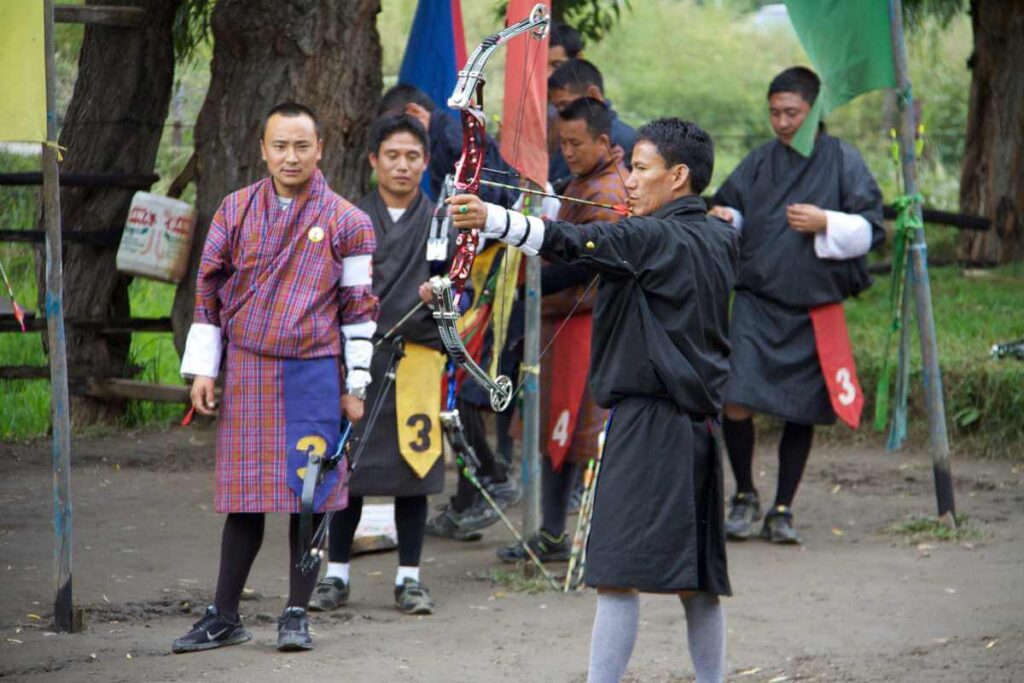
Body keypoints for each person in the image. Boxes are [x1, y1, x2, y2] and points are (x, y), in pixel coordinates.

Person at [448, 117, 737, 683]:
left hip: (650, 423)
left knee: (614, 574)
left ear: (678, 176)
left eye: (643, 169)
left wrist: (493, 217)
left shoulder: (654, 236)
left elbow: (576, 240)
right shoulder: (719, 237)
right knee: (696, 578)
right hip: (699, 426)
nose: (629, 180)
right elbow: (592, 249)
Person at [173, 102, 378, 653]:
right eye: (280, 146)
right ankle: (225, 614)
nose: (291, 156)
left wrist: (355, 386)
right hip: (247, 367)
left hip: (314, 372)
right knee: (244, 497)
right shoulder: (234, 210)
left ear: (320, 150)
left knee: (307, 495)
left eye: (302, 146)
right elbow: (208, 292)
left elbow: (359, 309)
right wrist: (204, 369)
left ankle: (295, 613)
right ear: (263, 150)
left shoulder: (348, 221)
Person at [709, 66, 884, 544]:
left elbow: (872, 229)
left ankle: (783, 507)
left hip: (814, 308)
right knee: (735, 398)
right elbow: (732, 207)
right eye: (774, 113)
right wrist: (727, 216)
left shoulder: (843, 161)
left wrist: (826, 220)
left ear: (814, 112)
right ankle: (744, 493)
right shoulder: (760, 161)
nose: (782, 122)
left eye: (792, 113)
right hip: (756, 302)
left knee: (802, 409)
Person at [308, 113, 448, 616]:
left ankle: (409, 577)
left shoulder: (442, 222)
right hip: (359, 362)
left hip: (416, 358)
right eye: (392, 155)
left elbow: (464, 294)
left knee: (416, 468)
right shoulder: (350, 218)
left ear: (426, 162)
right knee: (351, 468)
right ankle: (336, 575)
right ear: (373, 160)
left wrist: (443, 297)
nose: (402, 166)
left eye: (413, 156)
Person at [496, 97, 628, 564]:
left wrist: (528, 282)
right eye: (563, 143)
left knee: (575, 434)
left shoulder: (610, 190)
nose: (567, 151)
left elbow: (587, 261)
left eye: (576, 143)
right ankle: (552, 532)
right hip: (563, 320)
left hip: (585, 324)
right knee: (560, 432)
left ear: (604, 143)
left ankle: (581, 534)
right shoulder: (582, 181)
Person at [548, 59, 637, 188]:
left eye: (565, 105)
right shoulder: (564, 135)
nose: (560, 114)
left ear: (593, 95)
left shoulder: (623, 140)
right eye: (557, 107)